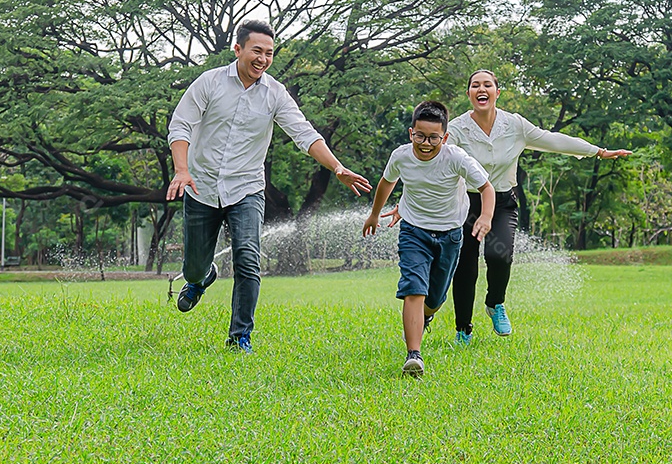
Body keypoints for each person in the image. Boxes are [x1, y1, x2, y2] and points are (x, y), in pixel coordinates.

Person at [166, 20, 371, 353]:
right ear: (238, 49)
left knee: (248, 258)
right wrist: (181, 169)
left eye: (269, 53)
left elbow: (304, 134)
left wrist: (337, 167)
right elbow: (181, 126)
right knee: (194, 264)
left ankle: (240, 336)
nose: (262, 59)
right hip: (200, 185)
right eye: (256, 51)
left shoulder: (275, 93)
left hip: (246, 187)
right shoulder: (210, 82)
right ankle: (201, 278)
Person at [448, 69, 632, 345]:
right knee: (465, 266)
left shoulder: (515, 125)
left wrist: (597, 151)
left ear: (498, 92)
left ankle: (495, 303)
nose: (481, 89)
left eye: (488, 85)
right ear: (469, 94)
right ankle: (463, 329)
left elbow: (554, 140)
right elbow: (433, 155)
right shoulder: (457, 128)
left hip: (502, 201)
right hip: (468, 204)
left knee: (501, 256)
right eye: (475, 85)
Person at [363, 100, 494, 377]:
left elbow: (486, 187)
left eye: (433, 138)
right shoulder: (400, 156)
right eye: (420, 136)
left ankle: (427, 315)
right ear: (411, 133)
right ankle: (414, 355)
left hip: (450, 234)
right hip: (413, 230)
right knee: (413, 288)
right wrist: (374, 214)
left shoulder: (456, 157)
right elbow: (387, 182)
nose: (425, 143)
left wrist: (486, 217)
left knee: (433, 299)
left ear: (444, 137)